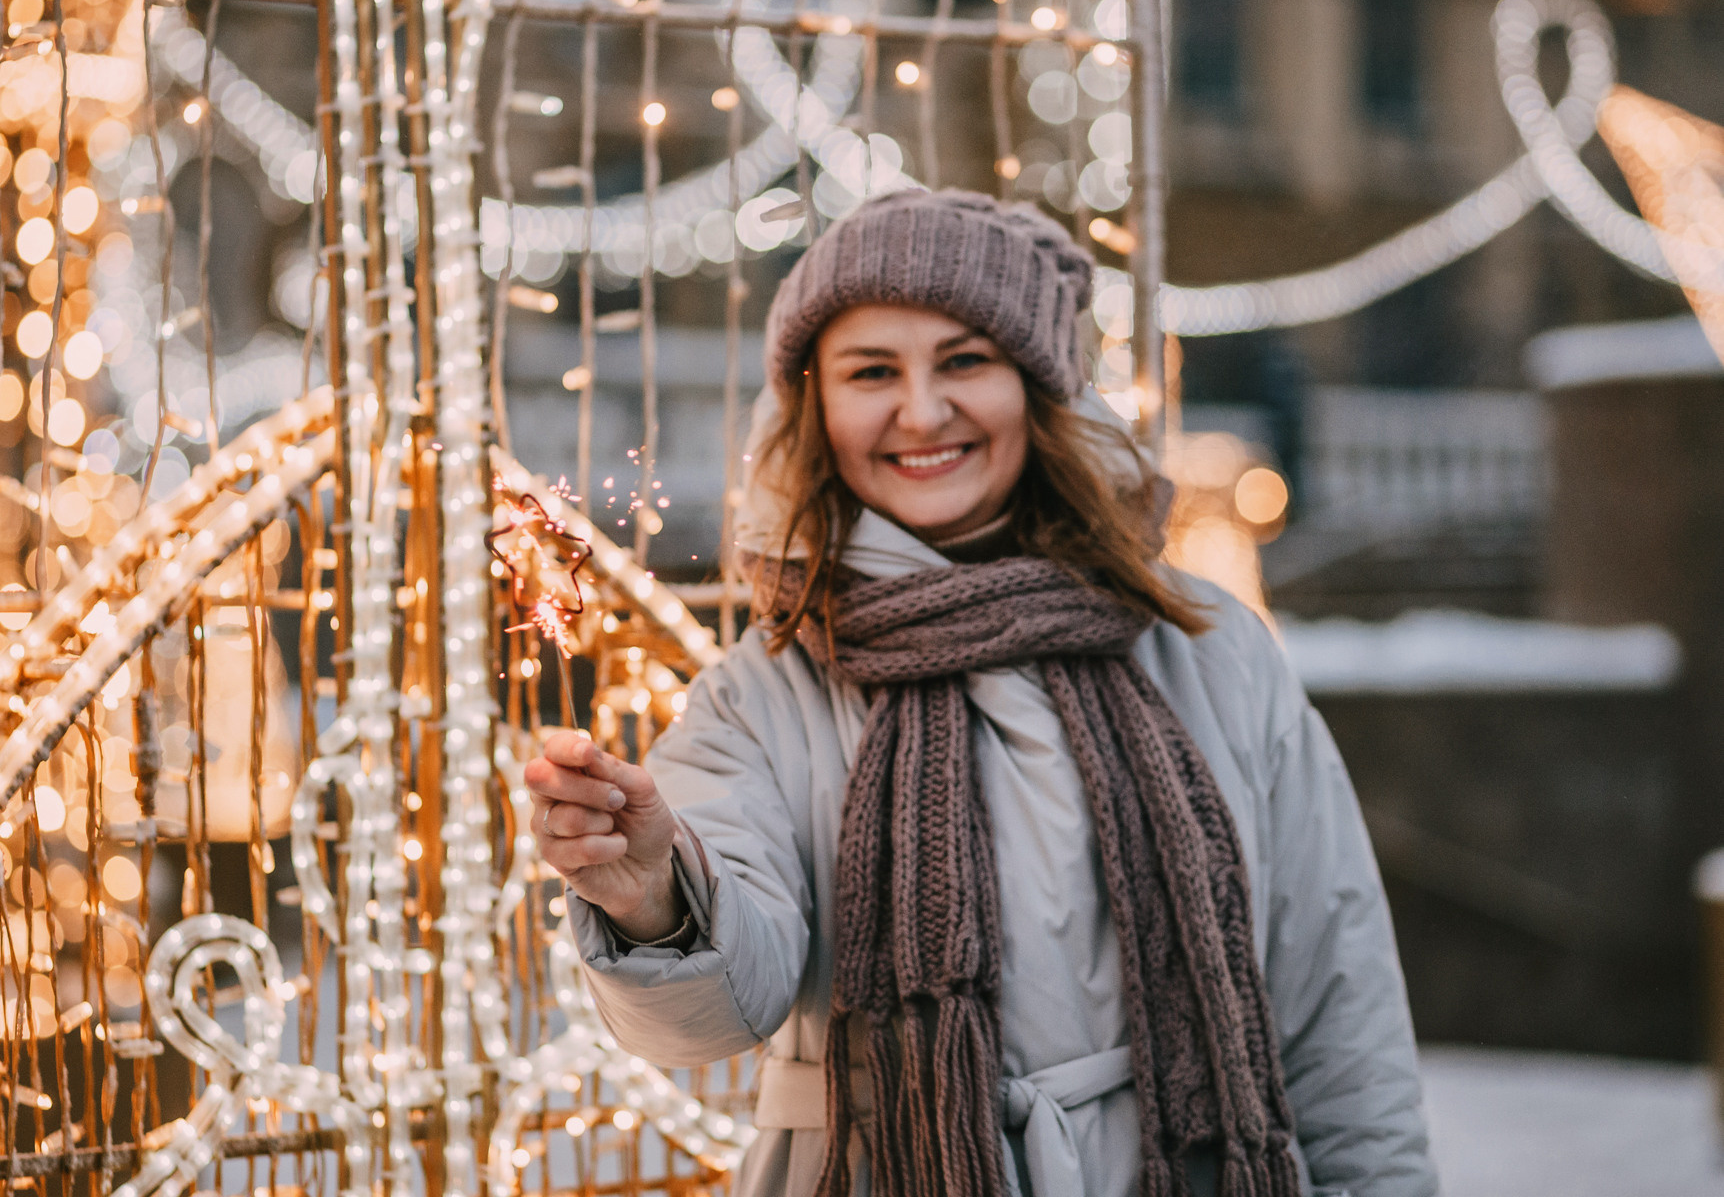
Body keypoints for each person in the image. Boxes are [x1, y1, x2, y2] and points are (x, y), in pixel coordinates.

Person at [524, 189, 1437, 1197]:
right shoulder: (763, 694)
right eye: (873, 371)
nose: (922, 412)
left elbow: (1337, 1003)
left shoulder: (1206, 649)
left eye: (964, 361)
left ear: (1037, 387)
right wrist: (656, 896)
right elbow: (719, 1009)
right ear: (816, 407)